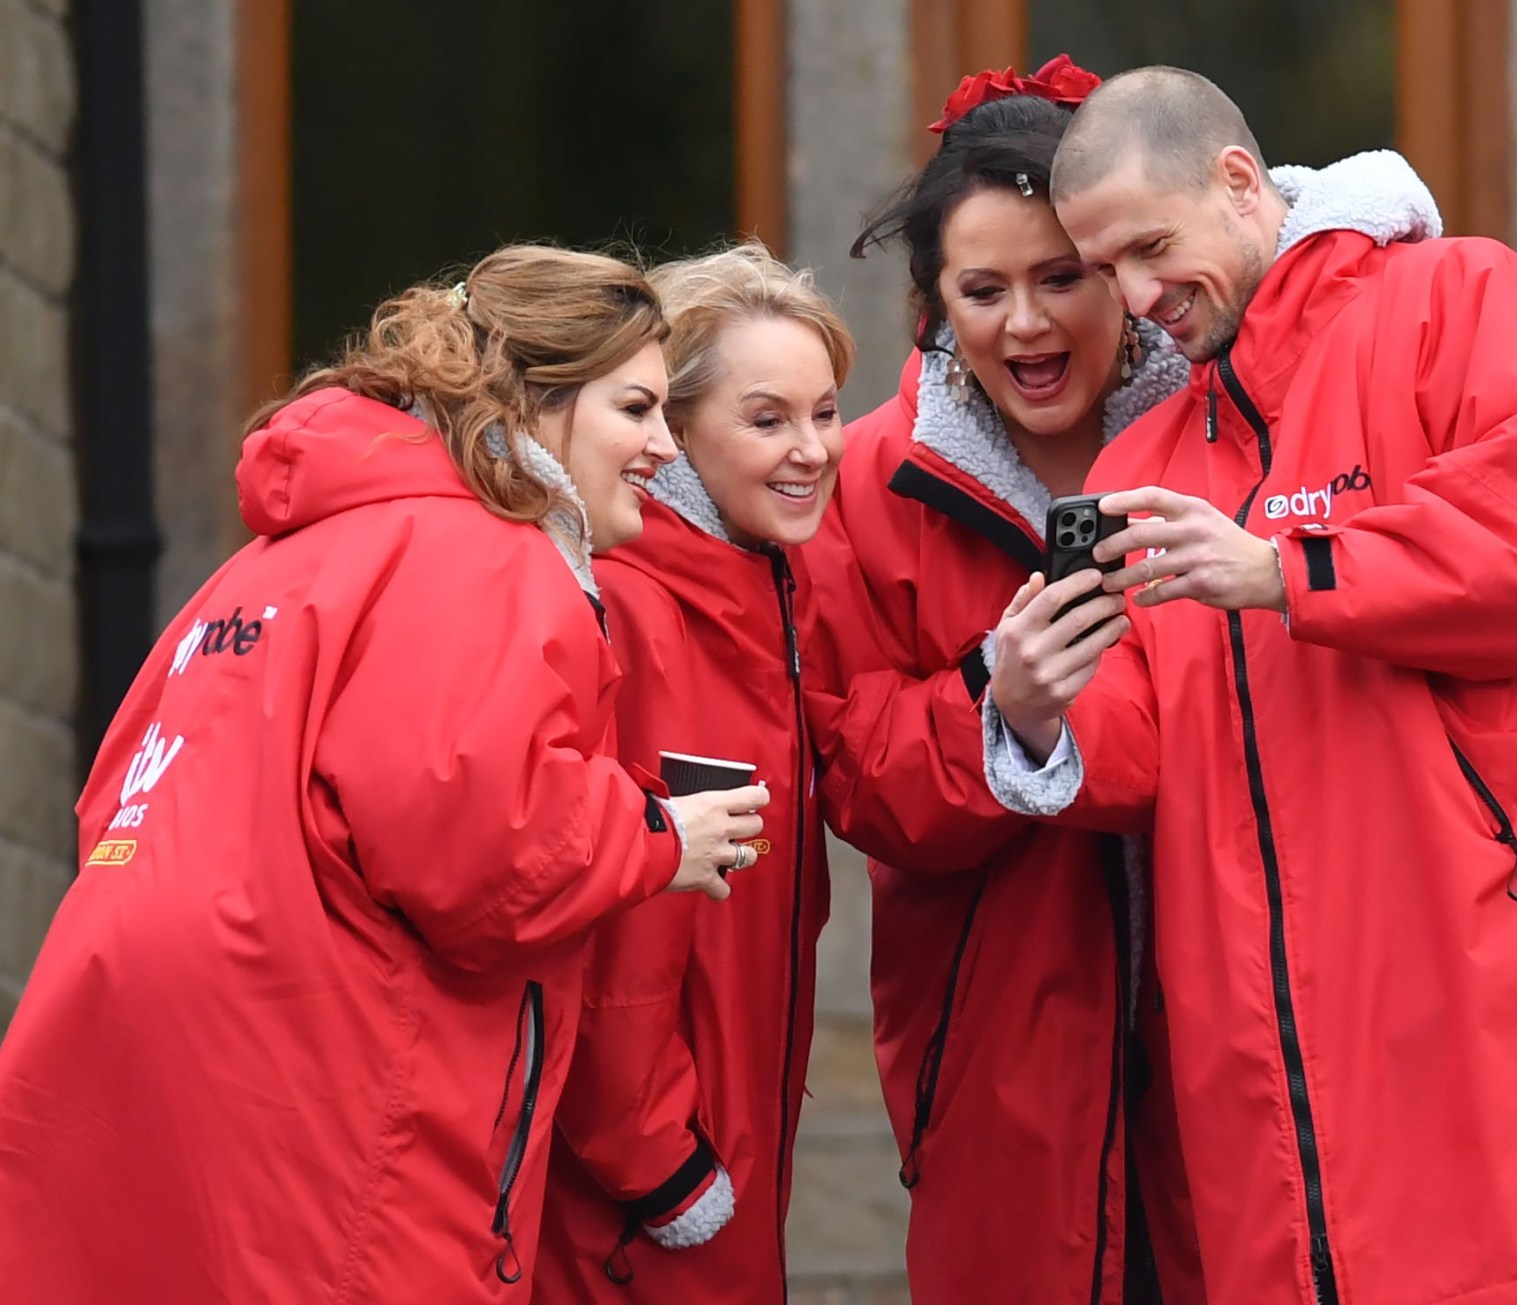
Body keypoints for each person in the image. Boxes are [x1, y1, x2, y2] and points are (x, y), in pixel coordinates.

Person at [985, 67, 1517, 1304]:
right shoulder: (1152, 455)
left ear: (1240, 181)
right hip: (1294, 1107)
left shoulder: (1464, 300)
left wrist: (1286, 567)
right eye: (1106, 272)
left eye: (1150, 249)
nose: (1139, 299)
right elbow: (1153, 746)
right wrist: (1037, 707)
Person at [0, 245, 769, 1304]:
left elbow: (115, 794)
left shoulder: (276, 557)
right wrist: (655, 834)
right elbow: (479, 850)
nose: (662, 445)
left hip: (132, 1013)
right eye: (633, 408)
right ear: (537, 402)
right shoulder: (490, 554)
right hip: (317, 1044)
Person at [799, 56, 1198, 1304]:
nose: (1024, 324)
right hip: (1001, 1046)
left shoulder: (1230, 438)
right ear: (932, 302)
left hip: (1231, 1011)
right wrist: (1001, 711)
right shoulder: (867, 483)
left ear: (1124, 276)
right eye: (983, 290)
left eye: (1060, 278)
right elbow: (854, 775)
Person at [534, 243, 853, 1303]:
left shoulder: (766, 603)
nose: (811, 450)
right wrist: (660, 1165)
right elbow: (607, 910)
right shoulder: (632, 608)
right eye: (767, 420)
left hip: (714, 1161)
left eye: (825, 412)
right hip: (638, 1207)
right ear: (672, 436)